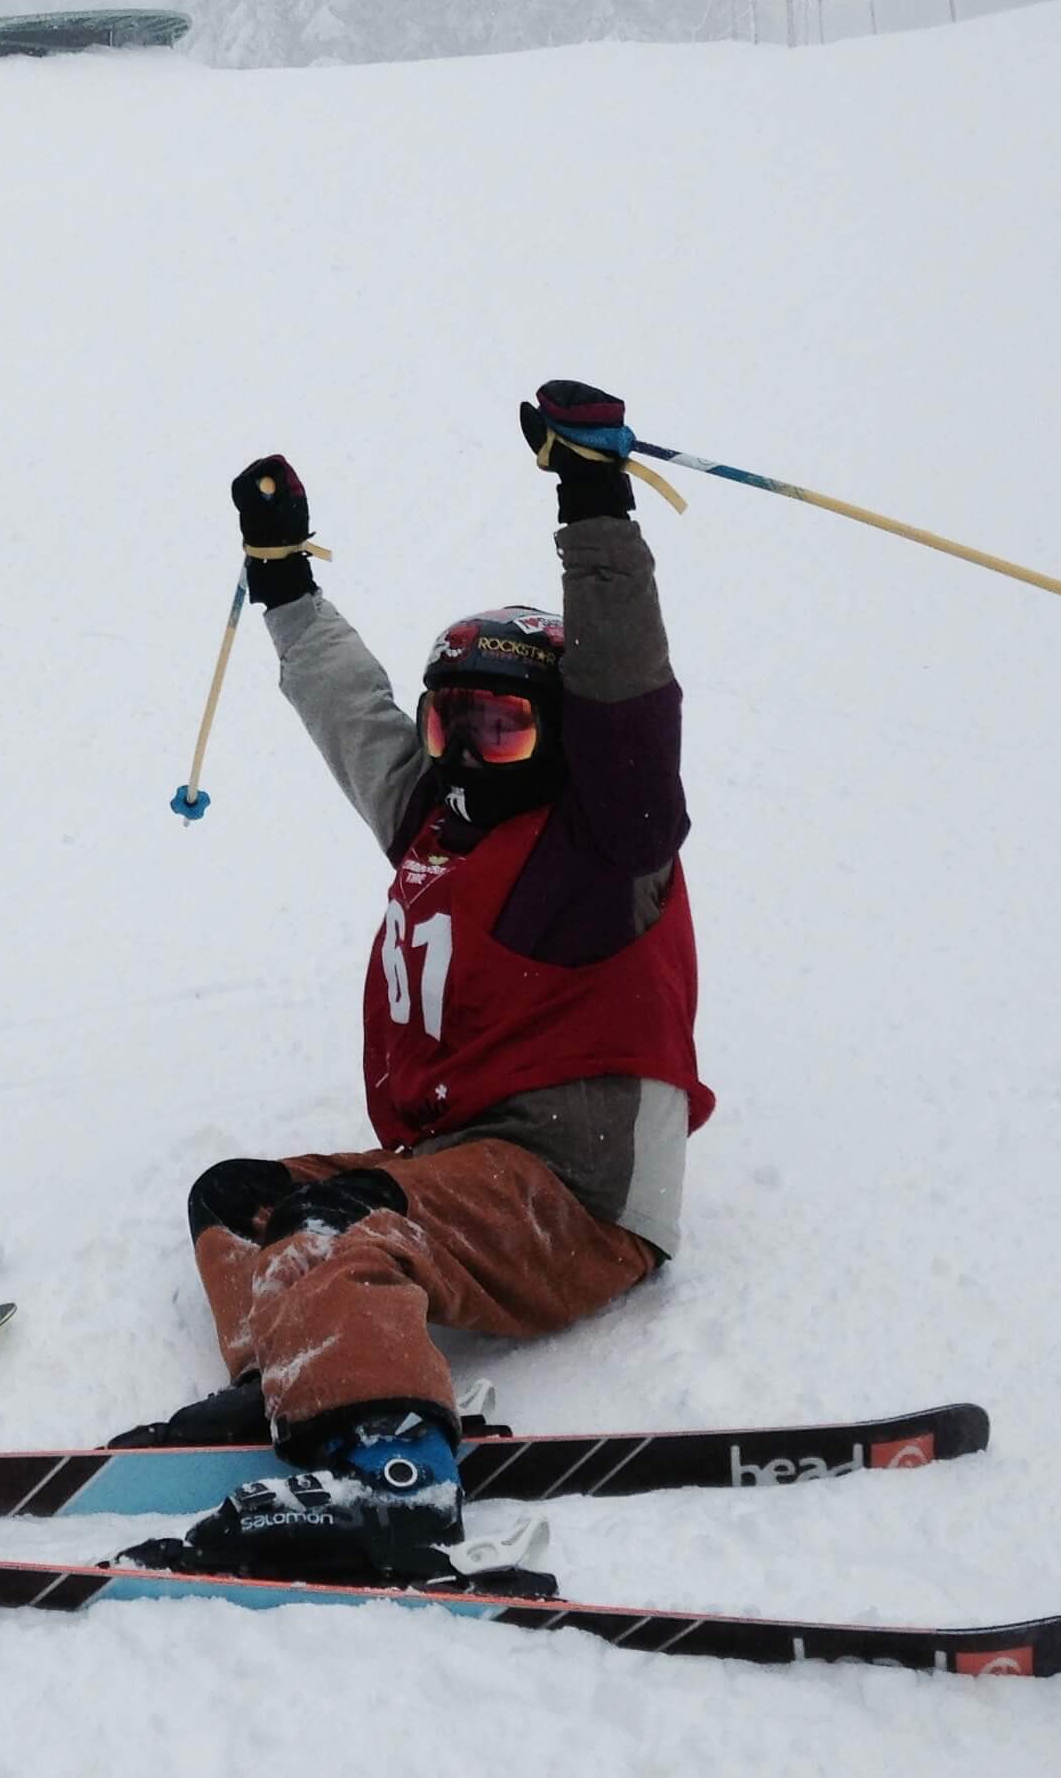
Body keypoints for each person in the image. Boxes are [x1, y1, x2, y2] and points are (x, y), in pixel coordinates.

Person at [121, 382, 712, 1581]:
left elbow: (627, 698)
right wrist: (282, 575)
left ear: (560, 741)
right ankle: (306, 1381)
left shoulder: (604, 843)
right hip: (469, 1164)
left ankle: (387, 1469)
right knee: (239, 1196)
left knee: (350, 1223)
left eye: (504, 730)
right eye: (453, 729)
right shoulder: (435, 825)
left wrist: (591, 497)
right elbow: (353, 709)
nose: (466, 754)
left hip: (578, 1194)